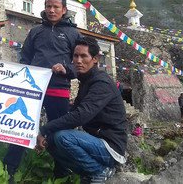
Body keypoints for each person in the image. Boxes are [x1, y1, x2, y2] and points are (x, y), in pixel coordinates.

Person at [3, 0, 82, 178]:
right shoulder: (36, 31)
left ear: (64, 10)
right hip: (33, 89)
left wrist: (66, 69)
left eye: (56, 7)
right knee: (22, 126)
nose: (52, 10)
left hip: (59, 89)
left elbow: (80, 63)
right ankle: (9, 170)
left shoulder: (74, 34)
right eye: (48, 6)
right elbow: (25, 57)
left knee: (59, 132)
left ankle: (61, 173)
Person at [35, 37, 127, 183]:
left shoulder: (101, 83)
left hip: (110, 147)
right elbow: (73, 112)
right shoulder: (86, 81)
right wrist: (46, 133)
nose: (78, 60)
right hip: (96, 143)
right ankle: (88, 172)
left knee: (63, 137)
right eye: (75, 56)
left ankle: (99, 171)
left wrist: (44, 129)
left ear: (95, 59)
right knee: (51, 141)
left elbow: (80, 116)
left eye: (84, 56)